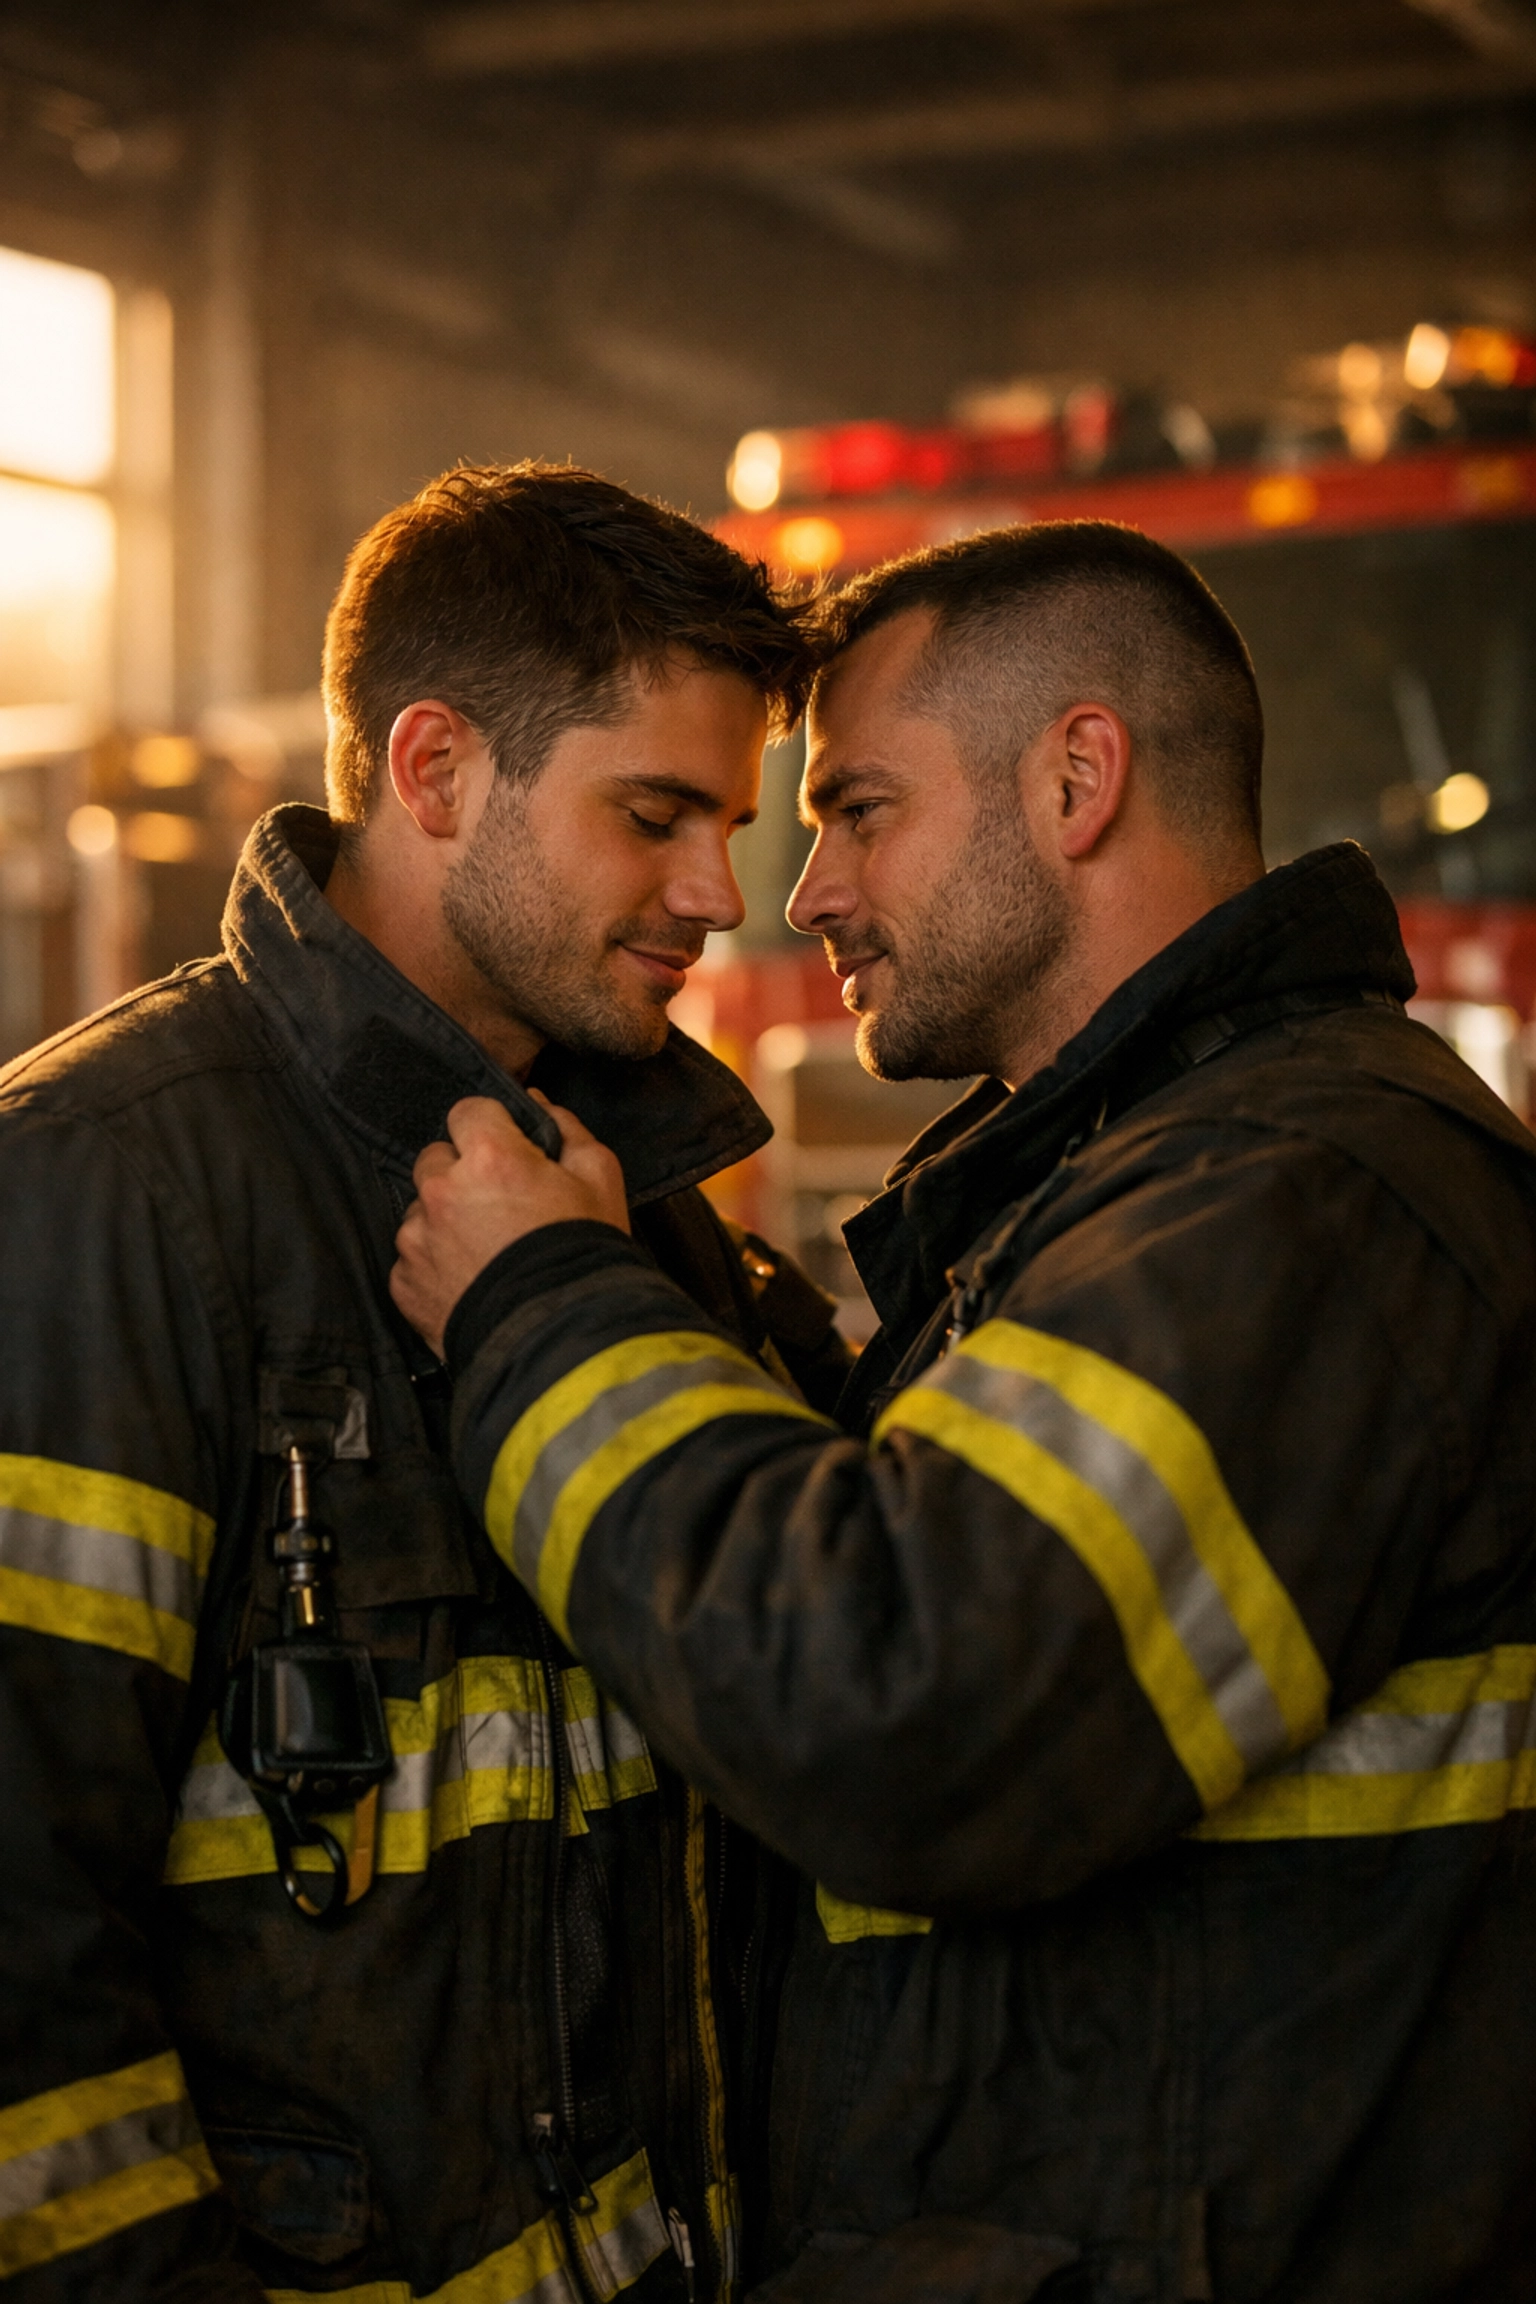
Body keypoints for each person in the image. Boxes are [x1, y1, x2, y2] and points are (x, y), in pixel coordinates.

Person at [392, 519, 1536, 2304]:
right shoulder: (1143, 1176)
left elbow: (907, 1699)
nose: (801, 894)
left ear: (1080, 778)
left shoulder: (1305, 1194)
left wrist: (546, 1314)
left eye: (859, 808)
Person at [0, 462, 839, 2302]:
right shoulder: (99, 1193)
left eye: (735, 823)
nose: (721, 892)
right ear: (436, 767)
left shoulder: (654, 1230)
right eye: (659, 815)